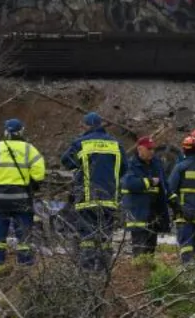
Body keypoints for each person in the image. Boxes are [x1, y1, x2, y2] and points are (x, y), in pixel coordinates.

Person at [61, 112, 127, 271]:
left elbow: (66, 162)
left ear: (86, 126)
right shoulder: (116, 144)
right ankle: (104, 272)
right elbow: (124, 168)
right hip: (110, 199)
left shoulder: (80, 143)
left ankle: (88, 274)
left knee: (87, 238)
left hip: (86, 198)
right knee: (105, 238)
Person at [0, 119, 45, 266]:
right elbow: (39, 174)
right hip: (22, 198)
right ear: (21, 131)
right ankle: (25, 264)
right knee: (24, 235)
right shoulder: (29, 149)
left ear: (6, 131)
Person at [120, 136, 170, 257]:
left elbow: (164, 186)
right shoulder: (131, 165)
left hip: (154, 215)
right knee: (140, 252)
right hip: (138, 215)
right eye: (149, 149)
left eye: (153, 149)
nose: (152, 151)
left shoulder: (156, 164)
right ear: (140, 149)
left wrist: (172, 203)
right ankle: (138, 274)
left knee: (150, 252)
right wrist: (149, 182)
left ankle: (147, 274)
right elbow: (129, 183)